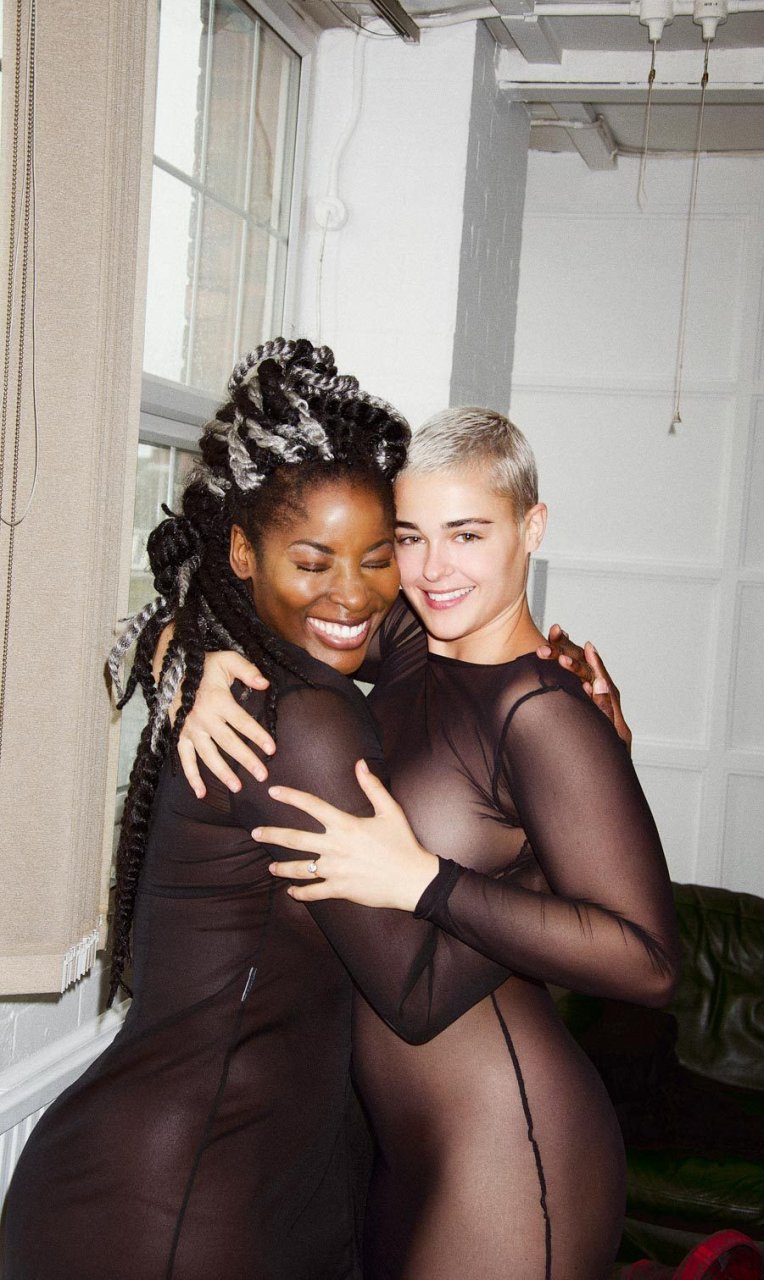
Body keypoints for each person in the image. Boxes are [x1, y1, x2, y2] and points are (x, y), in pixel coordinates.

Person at [2, 341, 535, 1280]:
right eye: (313, 559)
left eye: (380, 556)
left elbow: (422, 629)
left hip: (243, 1186)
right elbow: (412, 995)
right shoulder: (303, 723)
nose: (352, 593)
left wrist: (179, 638)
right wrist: (544, 855)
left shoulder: (273, 662)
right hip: (171, 1208)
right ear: (242, 553)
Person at [177, 407, 680, 1279]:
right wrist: (199, 662)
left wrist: (426, 882)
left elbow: (649, 962)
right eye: (410, 538)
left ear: (532, 529)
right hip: (403, 1151)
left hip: (516, 1151)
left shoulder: (544, 711)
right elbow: (271, 595)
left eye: (468, 535)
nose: (434, 570)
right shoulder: (415, 642)